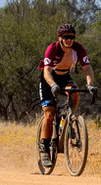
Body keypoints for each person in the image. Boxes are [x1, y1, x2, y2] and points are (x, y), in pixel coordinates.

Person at [38, 23, 96, 165]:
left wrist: (90, 85)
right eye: (66, 37)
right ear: (60, 38)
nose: (69, 40)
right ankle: (44, 148)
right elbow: (46, 71)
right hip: (48, 79)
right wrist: (53, 85)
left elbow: (87, 69)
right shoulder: (53, 49)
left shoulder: (78, 49)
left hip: (64, 77)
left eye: (71, 37)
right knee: (49, 114)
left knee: (74, 93)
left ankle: (69, 120)